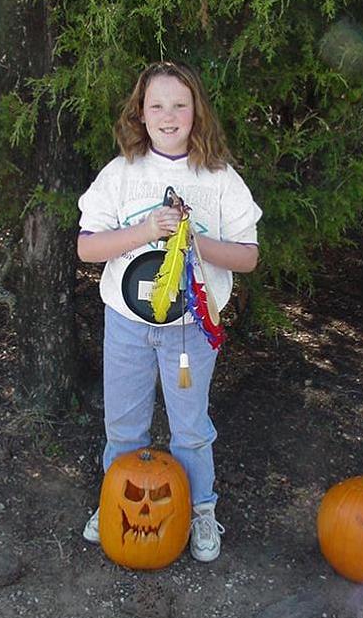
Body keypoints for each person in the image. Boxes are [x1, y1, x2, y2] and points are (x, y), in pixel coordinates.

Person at [77, 61, 262, 562]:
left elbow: (247, 255)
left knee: (190, 427)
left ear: (196, 111)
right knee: (123, 425)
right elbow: (87, 249)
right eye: (157, 104)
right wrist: (147, 231)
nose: (169, 114)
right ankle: (113, 500)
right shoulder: (121, 174)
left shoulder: (219, 178)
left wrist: (196, 241)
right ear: (140, 112)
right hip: (128, 327)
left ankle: (200, 509)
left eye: (180, 104)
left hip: (190, 334)